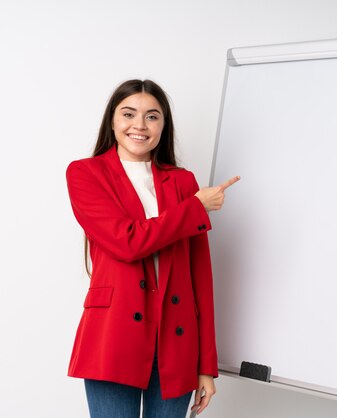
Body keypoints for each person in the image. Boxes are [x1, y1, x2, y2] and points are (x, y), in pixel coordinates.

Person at [65, 79, 239, 418]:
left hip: (176, 340)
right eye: (128, 114)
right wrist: (195, 208)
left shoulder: (183, 181)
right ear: (112, 120)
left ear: (164, 125)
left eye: (152, 116)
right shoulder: (85, 174)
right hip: (113, 336)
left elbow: (199, 277)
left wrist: (206, 364)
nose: (139, 126)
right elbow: (127, 242)